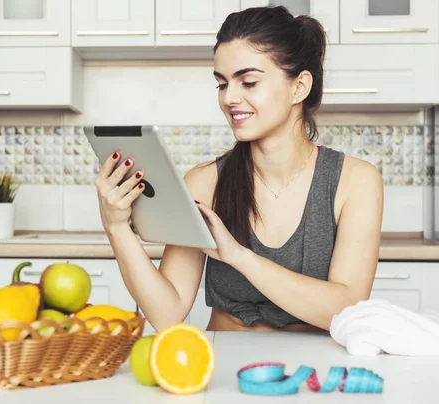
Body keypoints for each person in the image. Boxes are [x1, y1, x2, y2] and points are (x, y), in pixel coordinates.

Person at [93, 5, 383, 333]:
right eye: (222, 84)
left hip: (314, 370)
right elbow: (167, 314)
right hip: (224, 365)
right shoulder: (204, 183)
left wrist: (238, 256)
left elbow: (346, 309)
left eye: (248, 82)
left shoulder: (355, 182)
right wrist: (116, 228)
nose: (230, 98)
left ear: (299, 87)